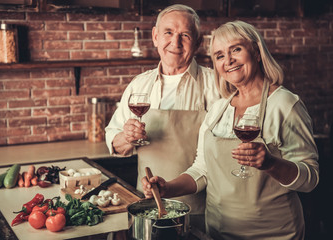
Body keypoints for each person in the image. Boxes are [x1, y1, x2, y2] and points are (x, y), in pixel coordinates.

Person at [142, 20, 319, 240]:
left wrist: (271, 164)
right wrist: (168, 188)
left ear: (256, 51)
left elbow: (310, 178)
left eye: (236, 49)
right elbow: (202, 169)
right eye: (219, 55)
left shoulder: (284, 104)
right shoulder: (218, 109)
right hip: (217, 230)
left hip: (273, 233)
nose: (229, 60)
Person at [105, 4, 220, 230]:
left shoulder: (215, 84)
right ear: (156, 37)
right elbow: (114, 142)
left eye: (185, 35)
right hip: (147, 207)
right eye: (168, 33)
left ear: (197, 43)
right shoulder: (140, 85)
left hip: (201, 209)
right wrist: (126, 137)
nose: (175, 43)